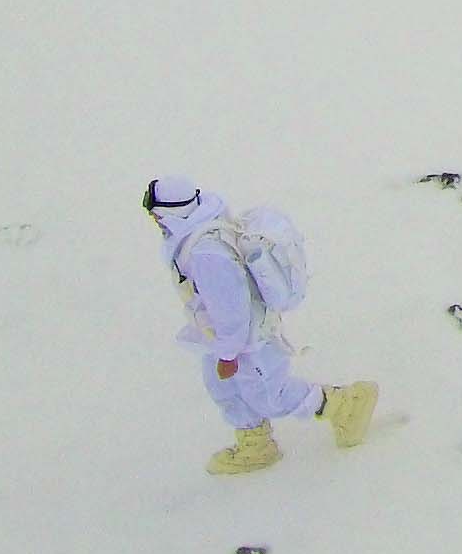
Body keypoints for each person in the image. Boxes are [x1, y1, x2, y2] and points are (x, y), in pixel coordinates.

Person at [147, 178, 375, 477]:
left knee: (269, 394)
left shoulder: (207, 254)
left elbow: (233, 310)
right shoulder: (199, 229)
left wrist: (228, 354)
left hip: (249, 338)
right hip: (220, 336)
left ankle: (344, 405)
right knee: (224, 388)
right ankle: (255, 442)